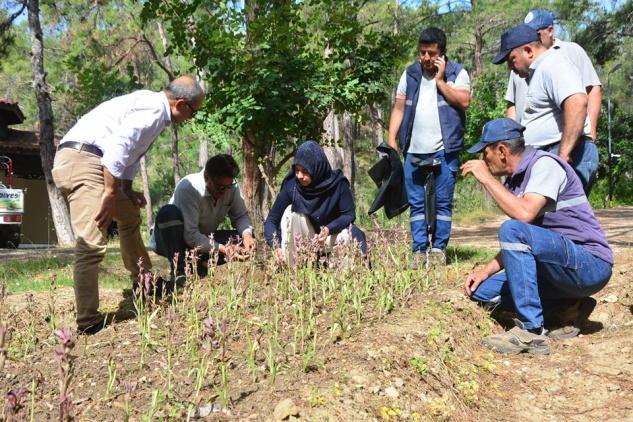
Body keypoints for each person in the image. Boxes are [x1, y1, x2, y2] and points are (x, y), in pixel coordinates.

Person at [52, 75, 204, 335]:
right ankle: (88, 320)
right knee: (92, 242)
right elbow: (118, 146)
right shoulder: (154, 110)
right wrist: (110, 192)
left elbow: (131, 154)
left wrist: (125, 189)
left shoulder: (154, 109)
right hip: (83, 160)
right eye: (193, 111)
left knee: (130, 217)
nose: (191, 117)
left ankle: (145, 283)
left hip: (95, 161)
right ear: (180, 103)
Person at [461, 118, 613, 355]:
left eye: (485, 151)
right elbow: (520, 243)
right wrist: (484, 272)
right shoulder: (516, 181)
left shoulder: (544, 165)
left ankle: (531, 332)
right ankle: (569, 305)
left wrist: (487, 179)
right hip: (558, 269)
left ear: (501, 150)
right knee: (481, 293)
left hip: (590, 265)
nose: (483, 159)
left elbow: (523, 216)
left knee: (511, 228)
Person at [387, 27, 471, 269]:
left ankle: (438, 249)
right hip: (413, 149)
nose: (425, 58)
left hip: (446, 150)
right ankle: (419, 249)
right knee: (416, 203)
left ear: (442, 53)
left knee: (443, 201)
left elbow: (463, 102)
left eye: (431, 53)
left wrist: (441, 81)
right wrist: (392, 138)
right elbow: (399, 107)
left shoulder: (458, 73)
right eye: (422, 52)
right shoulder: (410, 74)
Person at [493, 24, 599, 195]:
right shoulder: (540, 71)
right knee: (552, 220)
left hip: (565, 154)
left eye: (511, 59)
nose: (510, 68)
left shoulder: (553, 65)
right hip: (553, 155)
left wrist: (563, 155)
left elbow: (577, 102)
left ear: (528, 50)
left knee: (559, 219)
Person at [150, 154, 256, 286]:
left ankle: (199, 264)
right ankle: (180, 272)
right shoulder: (188, 187)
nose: (225, 191)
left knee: (243, 239)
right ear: (207, 177)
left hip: (202, 238)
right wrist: (225, 249)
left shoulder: (231, 187)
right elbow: (190, 235)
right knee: (167, 213)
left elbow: (240, 216)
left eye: (228, 187)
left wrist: (247, 236)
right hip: (170, 240)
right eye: (220, 187)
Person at [264, 140, 367, 268]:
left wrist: (329, 228)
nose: (300, 176)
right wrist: (276, 247)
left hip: (331, 237)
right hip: (306, 240)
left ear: (317, 168)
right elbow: (272, 220)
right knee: (291, 212)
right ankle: (293, 269)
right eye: (297, 170)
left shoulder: (338, 184)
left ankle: (342, 273)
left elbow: (349, 215)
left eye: (305, 171)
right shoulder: (293, 186)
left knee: (350, 235)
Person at [506, 9, 602, 141]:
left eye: (536, 34)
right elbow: (512, 104)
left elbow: (593, 90)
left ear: (550, 31)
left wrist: (591, 130)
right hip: (528, 148)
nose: (530, 38)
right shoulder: (519, 63)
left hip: (565, 143)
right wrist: (513, 141)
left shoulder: (571, 51)